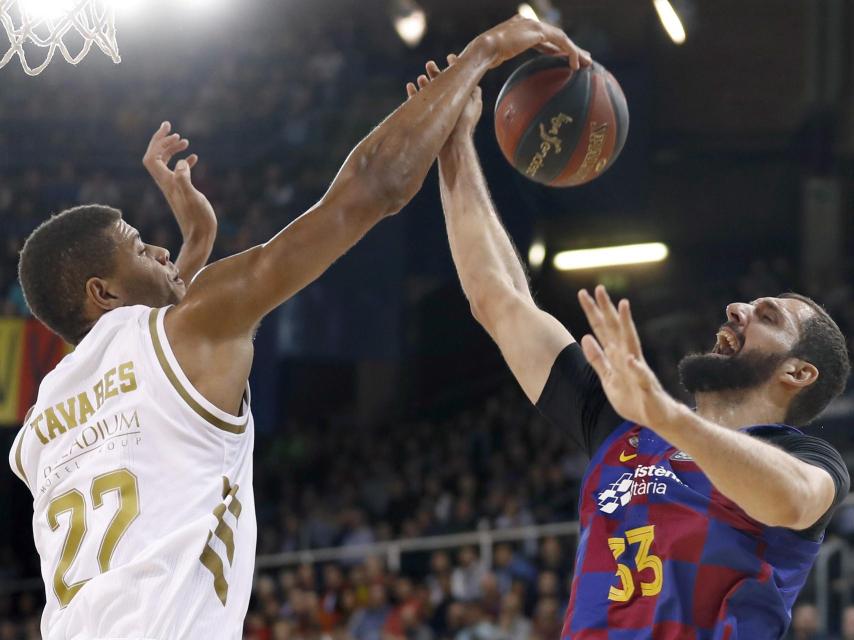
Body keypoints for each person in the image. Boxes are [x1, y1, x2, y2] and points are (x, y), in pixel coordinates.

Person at [7, 16, 589, 640]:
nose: (155, 247)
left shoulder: (39, 426)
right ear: (102, 291)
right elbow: (372, 189)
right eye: (135, 244)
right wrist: (483, 52)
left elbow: (144, 378)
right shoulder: (185, 333)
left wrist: (197, 244)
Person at [409, 55, 852, 638]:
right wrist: (454, 146)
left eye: (767, 315)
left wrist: (663, 414)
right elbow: (499, 300)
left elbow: (792, 502)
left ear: (798, 373)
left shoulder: (811, 464)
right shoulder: (623, 427)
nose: (737, 308)